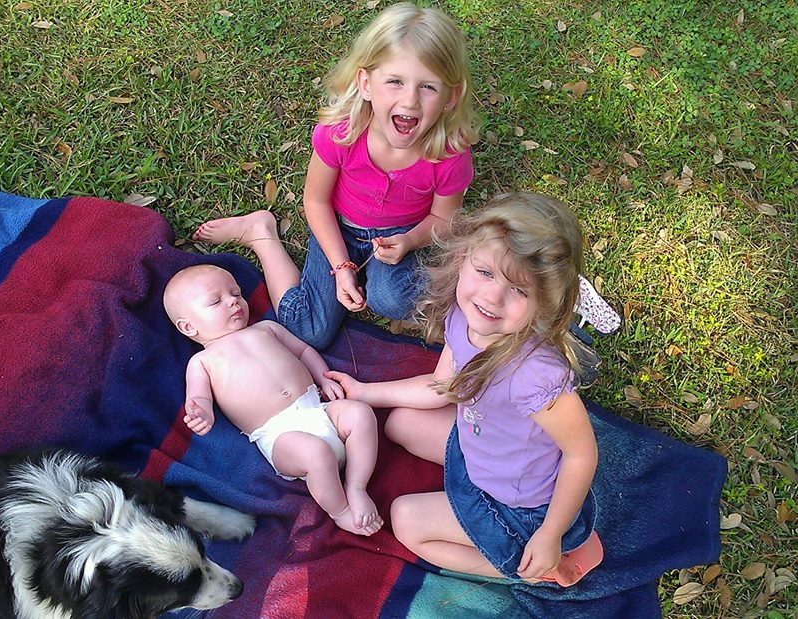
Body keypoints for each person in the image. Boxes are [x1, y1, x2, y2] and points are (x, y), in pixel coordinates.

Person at [327, 193, 603, 584]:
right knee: (400, 423)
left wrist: (550, 535)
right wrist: (363, 392)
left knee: (405, 520)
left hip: (520, 506)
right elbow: (442, 385)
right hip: (481, 445)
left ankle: (535, 569)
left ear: (545, 303)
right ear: (463, 257)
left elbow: (581, 453)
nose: (492, 297)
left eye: (519, 290)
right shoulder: (465, 317)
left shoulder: (535, 374)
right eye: (485, 272)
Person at [192, 3, 479, 349]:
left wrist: (410, 241)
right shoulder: (341, 134)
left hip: (401, 235)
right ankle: (260, 234)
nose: (410, 101)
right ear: (366, 83)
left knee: (394, 301)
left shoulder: (449, 154)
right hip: (338, 227)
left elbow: (444, 220)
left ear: (451, 97)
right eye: (395, 82)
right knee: (308, 330)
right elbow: (316, 201)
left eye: (428, 87)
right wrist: (341, 266)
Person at [163, 264, 383, 536]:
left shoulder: (266, 328)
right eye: (216, 301)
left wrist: (324, 378)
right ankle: (340, 511)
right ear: (188, 326)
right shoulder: (202, 362)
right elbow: (199, 396)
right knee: (316, 454)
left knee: (360, 413)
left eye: (236, 293)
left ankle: (357, 487)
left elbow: (303, 351)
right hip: (281, 435)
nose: (233, 301)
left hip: (318, 409)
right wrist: (202, 414)